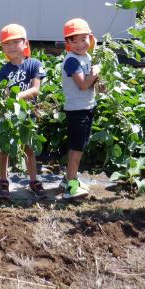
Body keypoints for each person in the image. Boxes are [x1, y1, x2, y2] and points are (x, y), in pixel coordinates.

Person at [0, 24, 47, 200]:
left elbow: (35, 90)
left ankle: (33, 181)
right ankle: (3, 180)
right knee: (4, 148)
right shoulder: (4, 70)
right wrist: (6, 101)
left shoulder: (34, 64)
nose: (11, 47)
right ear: (2, 48)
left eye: (16, 42)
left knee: (29, 148)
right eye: (7, 44)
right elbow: (3, 93)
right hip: (9, 115)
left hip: (28, 114)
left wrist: (15, 98)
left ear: (25, 43)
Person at [60, 18, 99, 200]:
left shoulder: (86, 57)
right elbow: (83, 84)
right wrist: (95, 73)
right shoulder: (71, 61)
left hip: (87, 106)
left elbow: (91, 84)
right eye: (74, 40)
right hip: (77, 110)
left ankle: (69, 178)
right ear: (67, 43)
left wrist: (99, 82)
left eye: (84, 39)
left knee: (80, 146)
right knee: (77, 149)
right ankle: (71, 186)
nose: (80, 44)